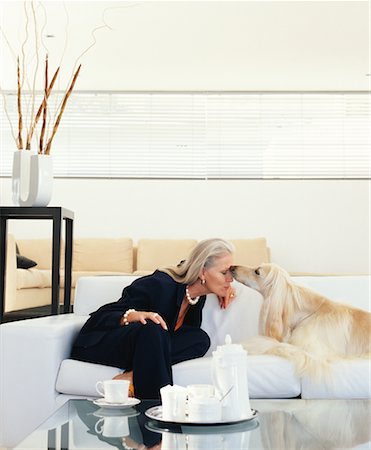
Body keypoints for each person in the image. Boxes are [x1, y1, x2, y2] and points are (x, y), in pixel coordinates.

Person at [70, 238, 236, 399]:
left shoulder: (197, 297)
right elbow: (99, 318)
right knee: (152, 326)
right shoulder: (159, 285)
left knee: (198, 338)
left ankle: (134, 375)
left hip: (146, 350)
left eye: (231, 272)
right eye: (224, 273)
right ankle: (157, 411)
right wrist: (134, 315)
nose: (230, 279)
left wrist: (224, 287)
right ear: (202, 272)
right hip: (101, 345)